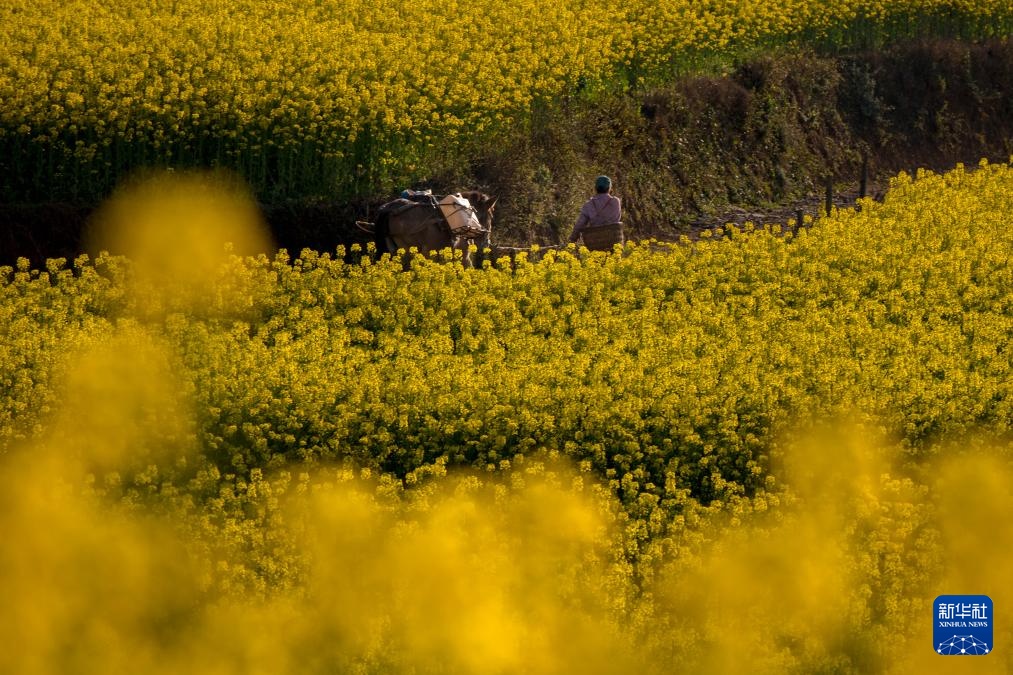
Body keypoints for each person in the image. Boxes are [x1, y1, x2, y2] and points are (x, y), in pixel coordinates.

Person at [569, 175, 621, 244]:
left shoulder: (588, 204)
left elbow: (580, 224)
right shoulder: (615, 201)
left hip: (595, 243)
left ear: (595, 188)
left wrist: (573, 239)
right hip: (614, 240)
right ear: (609, 188)